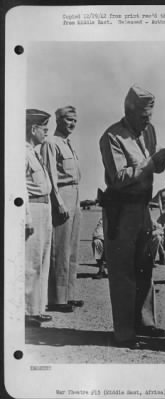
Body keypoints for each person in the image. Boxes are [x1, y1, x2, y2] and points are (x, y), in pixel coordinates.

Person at [99, 85, 165, 349]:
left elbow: (153, 165)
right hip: (121, 209)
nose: (148, 121)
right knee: (123, 271)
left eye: (150, 116)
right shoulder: (111, 137)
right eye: (143, 116)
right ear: (129, 111)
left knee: (144, 268)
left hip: (143, 207)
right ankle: (124, 332)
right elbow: (118, 179)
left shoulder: (148, 131)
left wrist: (164, 158)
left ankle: (144, 322)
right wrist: (151, 162)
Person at [41, 106, 83, 312]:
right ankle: (57, 298)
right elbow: (50, 175)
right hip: (63, 195)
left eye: (75, 120)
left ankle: (69, 294)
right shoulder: (51, 143)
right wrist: (58, 202)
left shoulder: (68, 144)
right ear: (58, 120)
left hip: (75, 195)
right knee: (60, 249)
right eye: (68, 120)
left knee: (73, 248)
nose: (72, 123)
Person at [25, 109, 53, 327]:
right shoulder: (22, 153)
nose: (47, 132)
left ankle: (37, 308)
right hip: (33, 209)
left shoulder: (34, 152)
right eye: (44, 129)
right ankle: (27, 311)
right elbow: (18, 189)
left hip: (44, 207)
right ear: (33, 129)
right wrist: (26, 217)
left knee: (42, 261)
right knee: (31, 262)